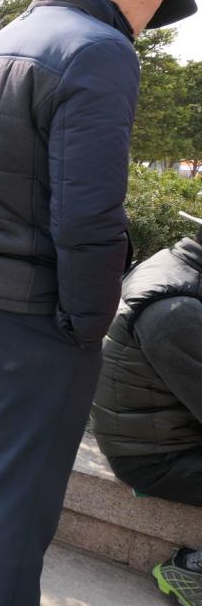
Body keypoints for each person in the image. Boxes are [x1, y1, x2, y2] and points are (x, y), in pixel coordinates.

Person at [0, 0, 197, 605]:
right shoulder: (100, 49)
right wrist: (87, 324)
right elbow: (91, 215)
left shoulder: (5, 37)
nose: (154, 13)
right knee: (23, 491)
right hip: (31, 311)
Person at [91, 211, 202, 606]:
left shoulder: (178, 263)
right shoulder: (177, 312)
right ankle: (192, 571)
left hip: (162, 426)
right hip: (153, 455)